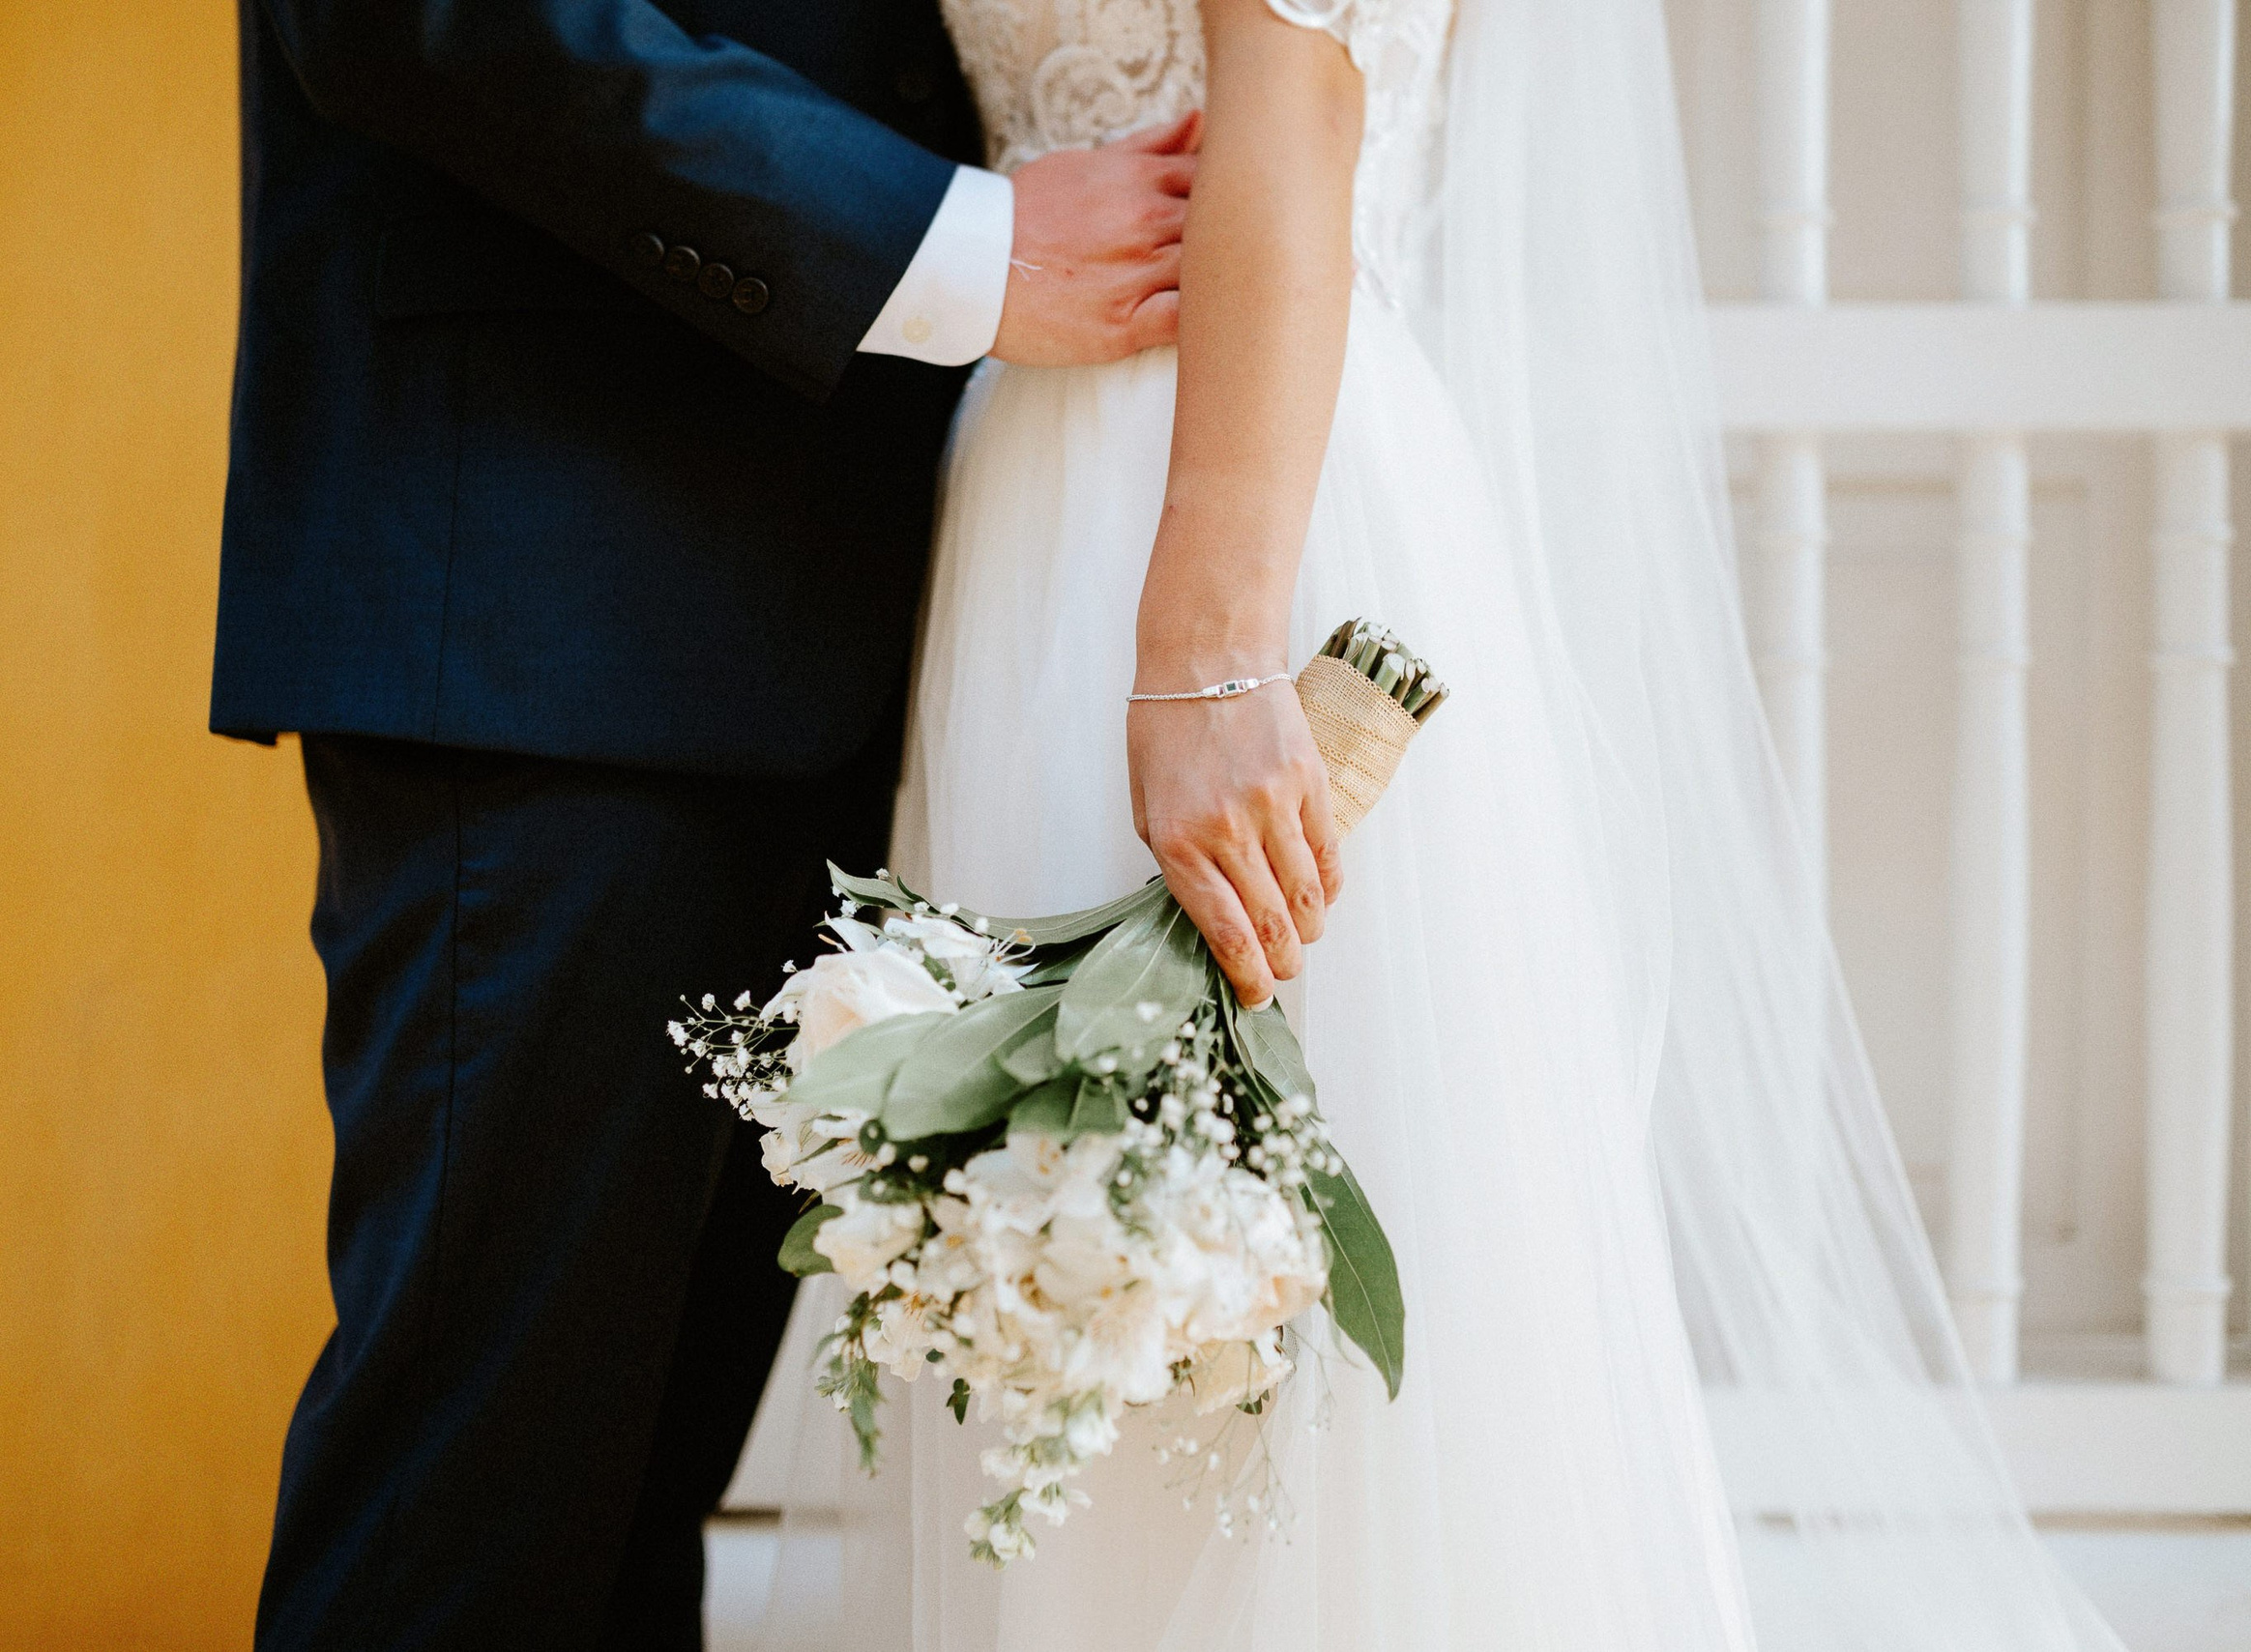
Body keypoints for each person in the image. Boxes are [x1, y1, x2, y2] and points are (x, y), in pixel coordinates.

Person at [744, 0, 2137, 1648]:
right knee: (1081, 1294)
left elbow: (1299, 111)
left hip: (1222, 502)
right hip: (1047, 481)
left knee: (1259, 1288)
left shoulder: (1203, 611)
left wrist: (1206, 658)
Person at [207, 3, 1202, 1645]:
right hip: (551, 599)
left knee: (624, 1529)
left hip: (849, 608)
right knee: (467, 1528)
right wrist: (955, 243)